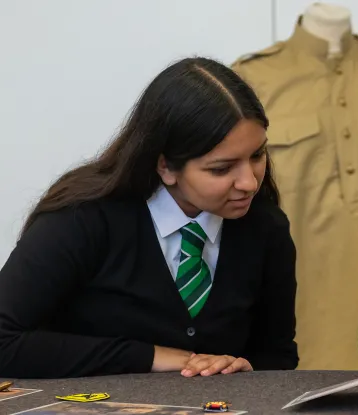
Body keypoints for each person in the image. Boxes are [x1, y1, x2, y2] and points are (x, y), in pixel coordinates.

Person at [0, 57, 299, 379]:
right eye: (221, 169)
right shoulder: (81, 219)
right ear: (165, 167)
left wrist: (246, 368)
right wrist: (154, 357)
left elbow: (277, 355)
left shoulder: (266, 227)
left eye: (257, 155)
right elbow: (5, 340)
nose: (250, 183)